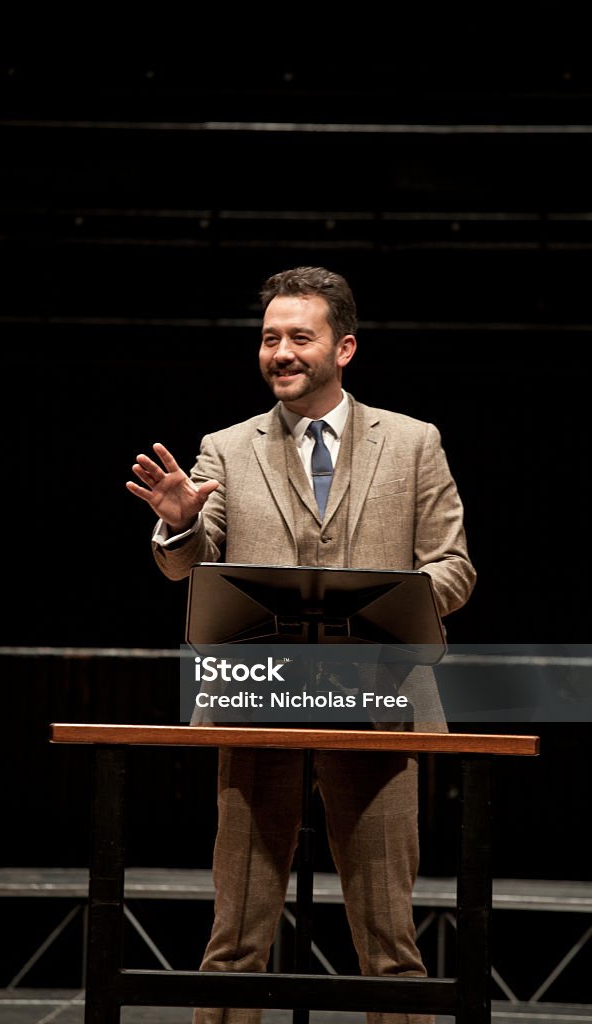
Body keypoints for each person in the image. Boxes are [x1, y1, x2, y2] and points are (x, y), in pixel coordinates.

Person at [127, 266, 476, 1024]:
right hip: (259, 703)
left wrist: (393, 605)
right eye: (268, 338)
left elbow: (453, 568)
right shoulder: (224, 449)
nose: (279, 352)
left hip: (380, 705)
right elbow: (188, 561)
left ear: (343, 347)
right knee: (234, 942)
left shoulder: (414, 443)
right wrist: (181, 520)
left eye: (298, 337)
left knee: (389, 947)